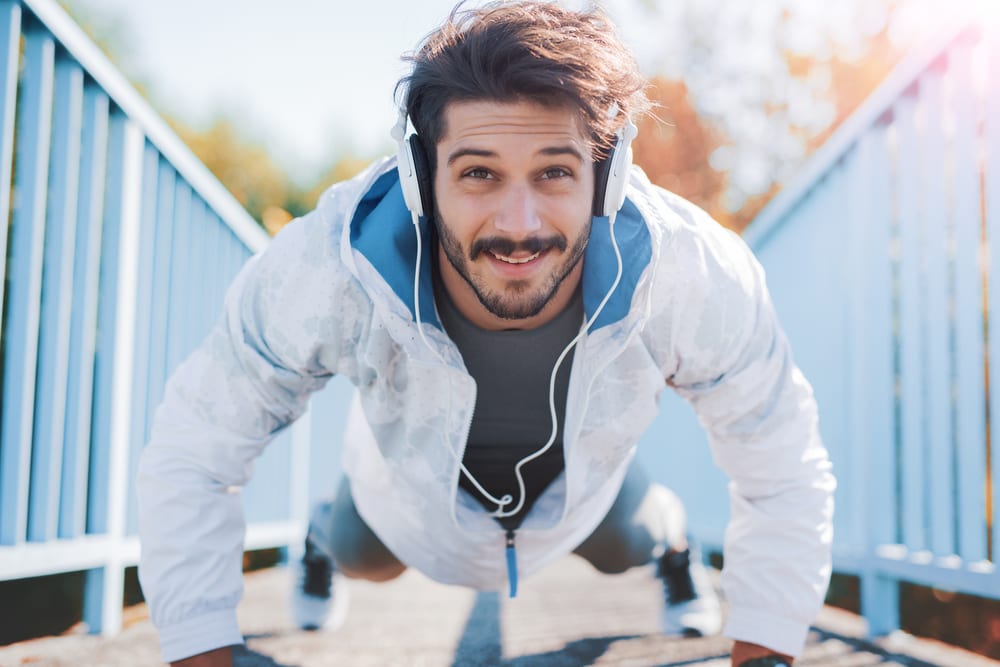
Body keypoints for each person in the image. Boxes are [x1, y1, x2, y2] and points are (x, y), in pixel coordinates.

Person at [137, 2, 835, 666]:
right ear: (419, 176)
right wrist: (200, 646)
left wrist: (766, 646)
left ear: (608, 176)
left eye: (556, 172)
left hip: (584, 499)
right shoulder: (331, 262)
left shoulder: (687, 270)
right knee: (353, 548)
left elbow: (780, 455)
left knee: (639, 537)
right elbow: (196, 447)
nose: (519, 223)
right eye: (479, 173)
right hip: (400, 503)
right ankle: (319, 540)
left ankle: (676, 548)